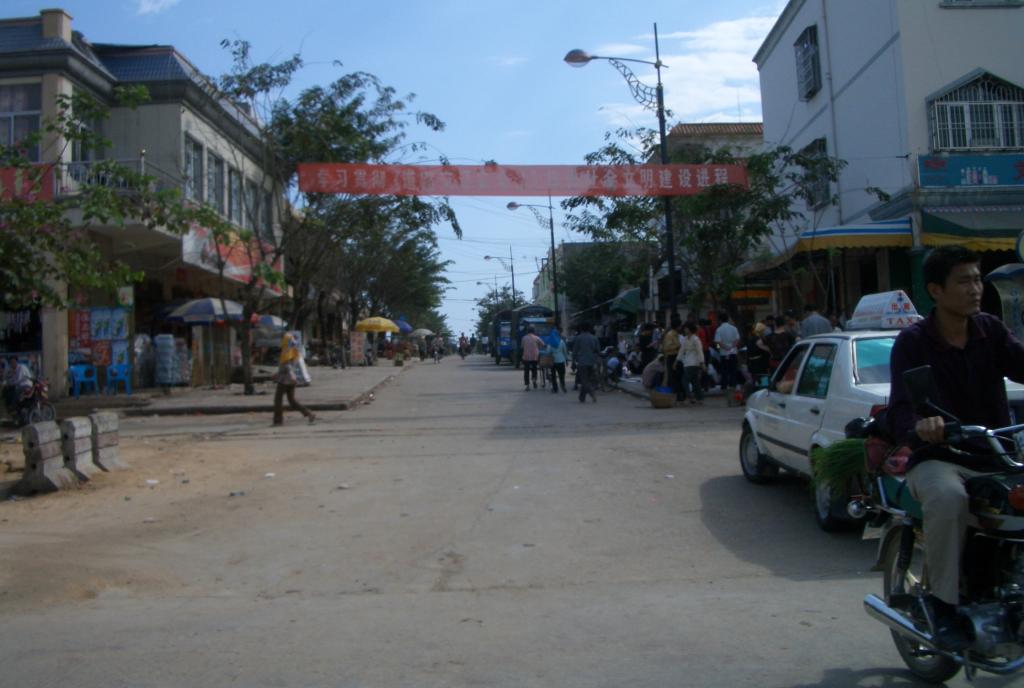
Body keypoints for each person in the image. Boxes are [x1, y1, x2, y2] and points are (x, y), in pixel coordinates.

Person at [888, 245, 1024, 650]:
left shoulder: (990, 331)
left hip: (995, 453)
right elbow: (900, 409)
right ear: (936, 290)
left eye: (978, 279)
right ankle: (943, 604)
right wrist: (921, 425)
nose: (975, 289)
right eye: (964, 281)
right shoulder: (913, 342)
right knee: (949, 498)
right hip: (939, 458)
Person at [273, 333, 315, 426]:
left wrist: (291, 375)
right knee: (292, 401)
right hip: (290, 379)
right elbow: (289, 364)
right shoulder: (294, 350)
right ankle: (309, 413)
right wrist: (278, 373)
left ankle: (278, 420)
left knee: (278, 400)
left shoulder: (287, 350)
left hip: (284, 380)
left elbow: (287, 365)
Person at [714, 312, 741, 405]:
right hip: (733, 352)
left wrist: (723, 347)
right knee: (733, 370)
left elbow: (718, 342)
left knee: (724, 370)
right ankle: (733, 384)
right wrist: (732, 347)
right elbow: (737, 339)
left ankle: (724, 386)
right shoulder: (734, 328)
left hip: (723, 353)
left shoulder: (719, 329)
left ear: (720, 320)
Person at [572, 321, 601, 403]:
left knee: (584, 380)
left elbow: (575, 351)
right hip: (592, 362)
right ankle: (582, 397)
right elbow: (598, 350)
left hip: (582, 362)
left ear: (581, 329)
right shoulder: (594, 338)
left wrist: (573, 361)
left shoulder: (578, 338)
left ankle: (592, 393)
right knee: (588, 380)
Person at [678, 322, 705, 404]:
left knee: (684, 380)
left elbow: (700, 351)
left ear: (690, 329)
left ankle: (689, 397)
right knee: (695, 381)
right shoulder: (685, 339)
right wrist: (677, 360)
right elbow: (681, 350)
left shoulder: (696, 339)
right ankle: (699, 398)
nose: (684, 330)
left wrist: (702, 362)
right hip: (687, 362)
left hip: (694, 362)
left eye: (686, 328)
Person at [659, 316, 683, 402]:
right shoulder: (670, 335)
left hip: (677, 357)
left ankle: (679, 396)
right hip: (672, 357)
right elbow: (666, 348)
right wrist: (678, 346)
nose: (681, 327)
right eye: (680, 326)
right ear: (677, 326)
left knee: (678, 377)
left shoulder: (676, 335)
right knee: (673, 377)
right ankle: (675, 396)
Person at [520, 326, 545, 391]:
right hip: (535, 357)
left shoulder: (524, 338)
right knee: (534, 369)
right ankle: (534, 380)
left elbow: (522, 346)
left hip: (526, 357)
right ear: (533, 331)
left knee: (526, 371)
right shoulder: (536, 337)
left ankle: (527, 385)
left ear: (527, 331)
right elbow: (543, 344)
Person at [545, 327, 569, 394]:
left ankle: (555, 388)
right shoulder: (561, 342)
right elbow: (565, 351)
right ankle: (563, 386)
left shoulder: (550, 343)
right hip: (561, 360)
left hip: (553, 361)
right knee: (562, 375)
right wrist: (566, 360)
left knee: (553, 375)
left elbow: (548, 352)